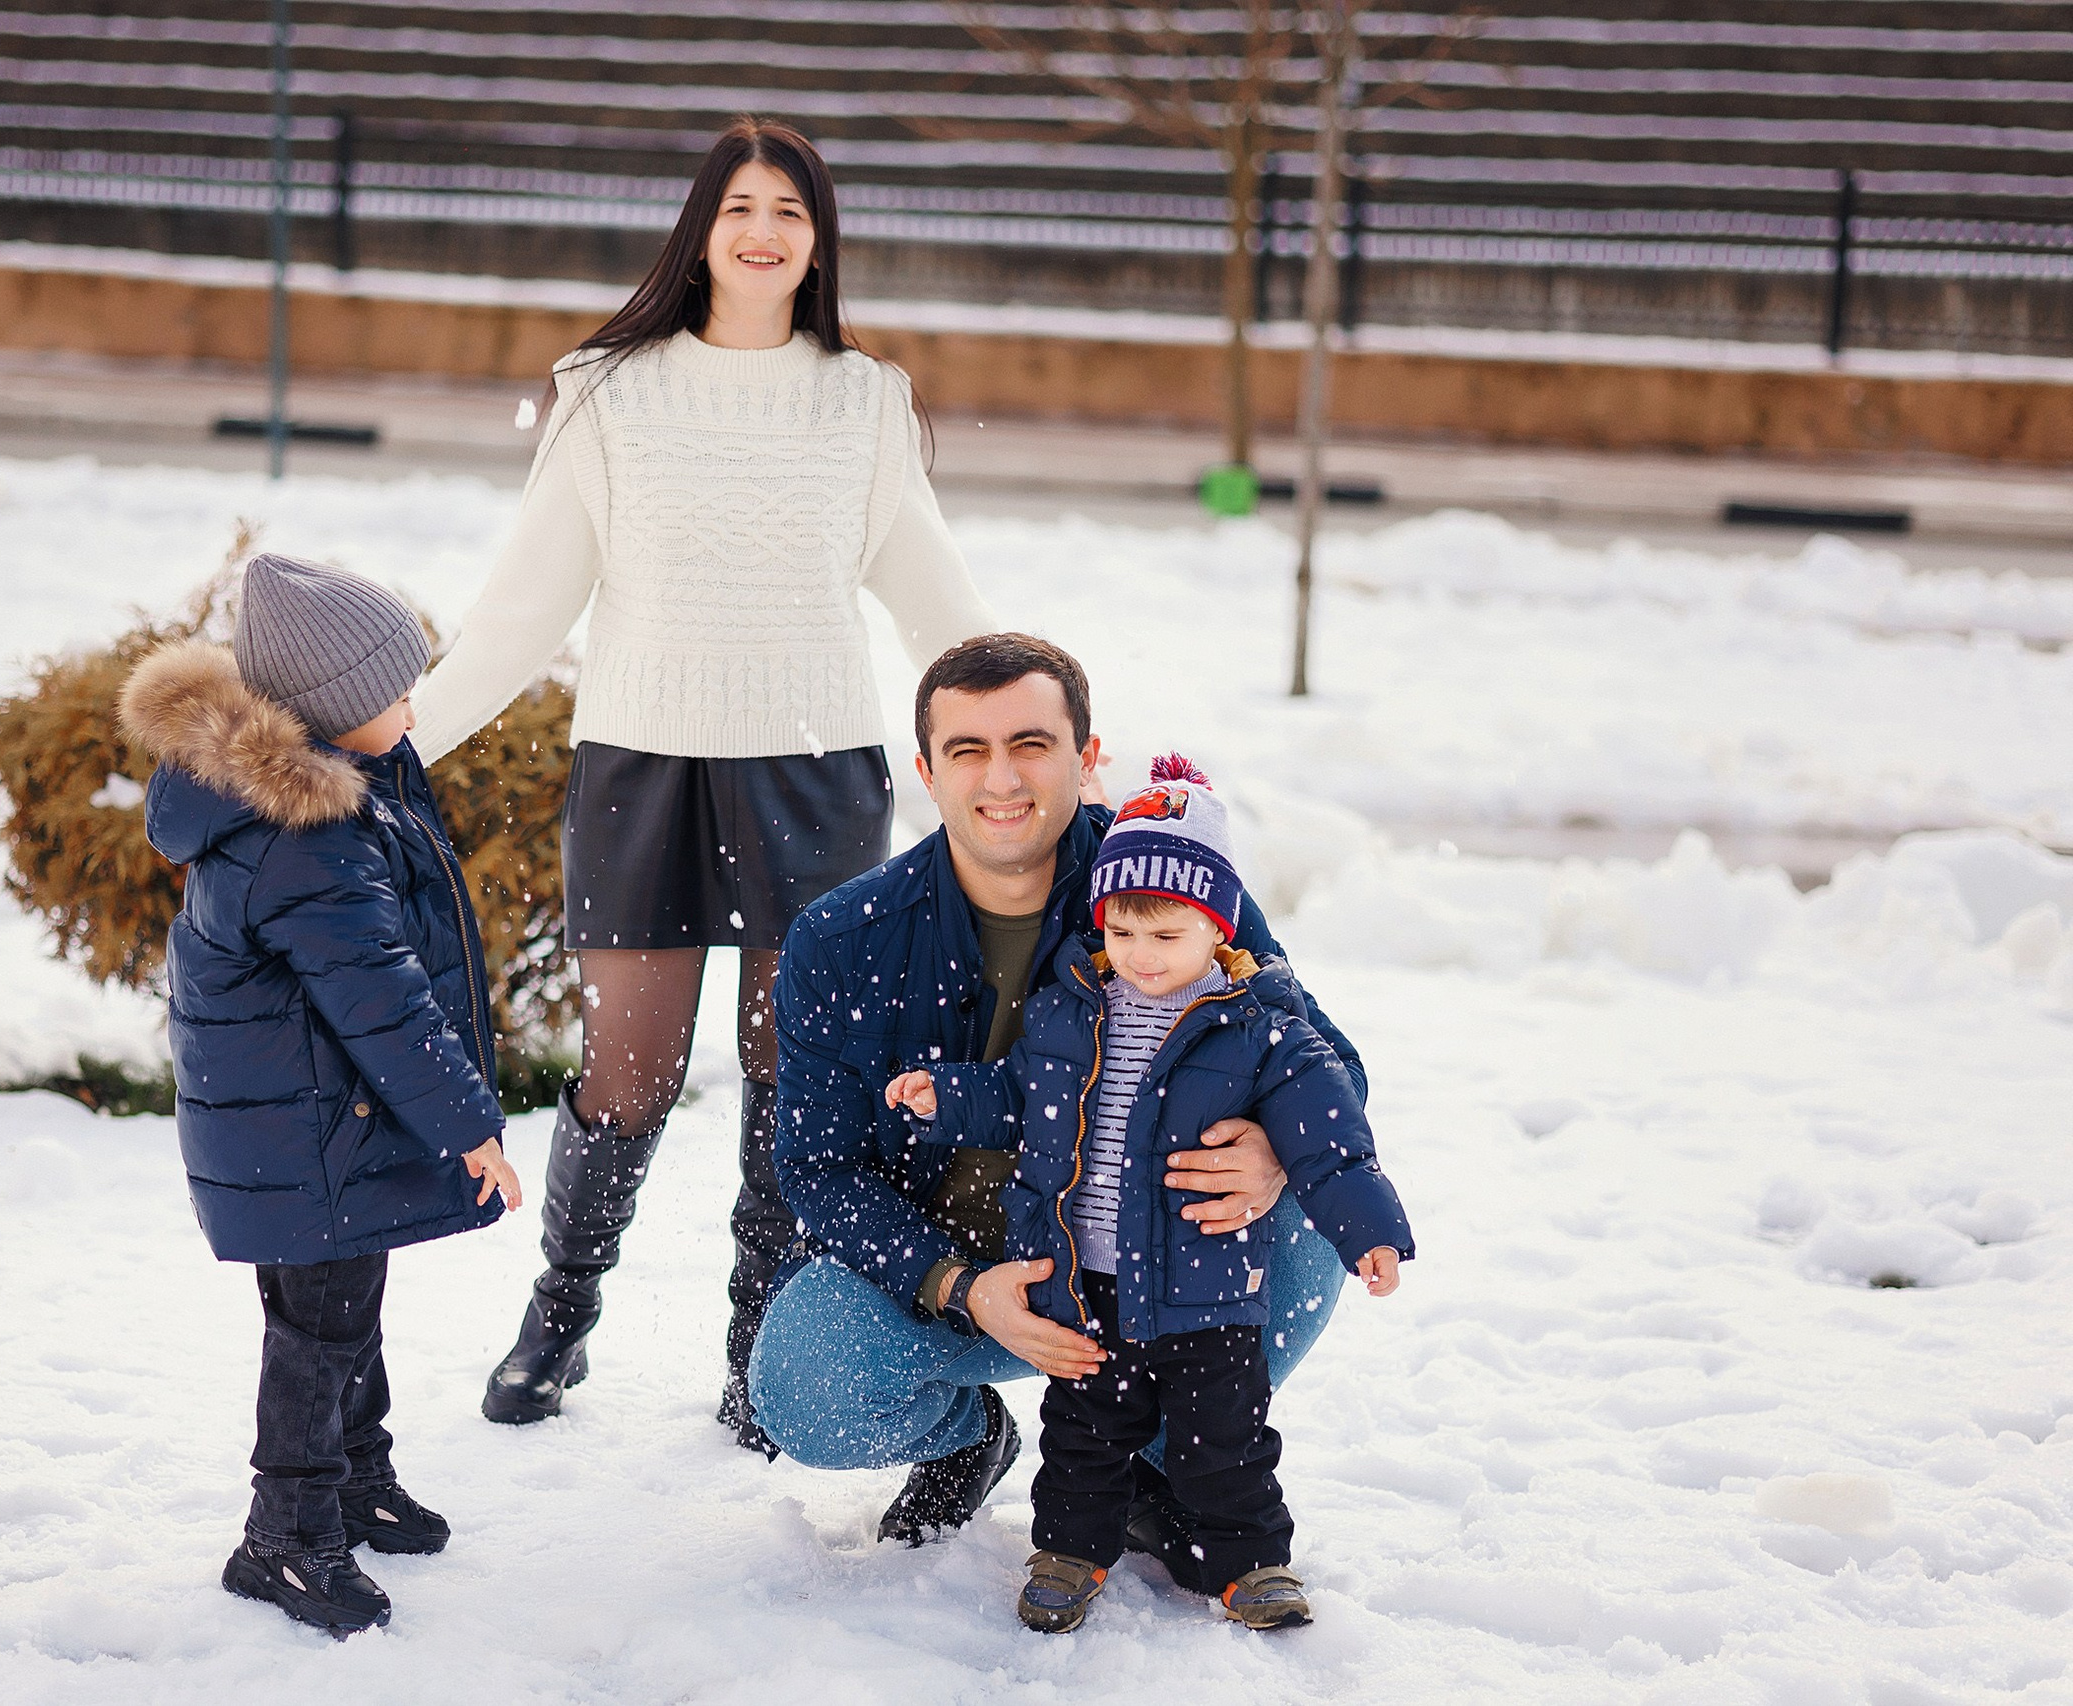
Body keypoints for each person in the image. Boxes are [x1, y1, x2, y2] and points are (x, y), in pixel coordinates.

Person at [407, 117, 998, 1451]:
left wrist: (1038, 740)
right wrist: (395, 738)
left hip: (816, 764)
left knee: (792, 1071)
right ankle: (560, 1314)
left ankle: (758, 1339)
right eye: (741, 204)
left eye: (791, 206)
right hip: (644, 767)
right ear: (702, 227)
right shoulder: (609, 394)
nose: (765, 228)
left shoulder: (865, 401)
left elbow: (939, 609)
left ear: (817, 239)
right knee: (631, 1067)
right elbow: (519, 613)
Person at [753, 633, 1371, 1558]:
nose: (1001, 779)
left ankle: (1159, 1465)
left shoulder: (1171, 877)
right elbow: (817, 1166)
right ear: (927, 772)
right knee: (806, 1389)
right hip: (958, 1264)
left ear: (1087, 760)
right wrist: (959, 1286)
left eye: (1031, 745)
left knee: (1310, 1212)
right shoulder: (842, 940)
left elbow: (1328, 1065)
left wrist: (1274, 1150)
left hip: (1148, 1258)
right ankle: (968, 1441)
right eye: (968, 751)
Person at [885, 755, 1413, 1632]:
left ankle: (1251, 1566)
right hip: (1085, 1287)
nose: (1140, 957)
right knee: (1084, 1434)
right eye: (1123, 934)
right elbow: (1020, 1095)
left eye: (1166, 938)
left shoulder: (1261, 1029)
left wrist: (1370, 1234)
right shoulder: (1070, 1009)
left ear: (1218, 930)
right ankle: (1069, 1553)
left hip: (1206, 1296)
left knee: (1225, 1443)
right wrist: (949, 1099)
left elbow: (1332, 1142)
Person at [120, 554, 524, 1637]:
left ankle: (353, 1475)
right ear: (338, 710)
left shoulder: (329, 790)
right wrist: (469, 1125)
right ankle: (285, 1536)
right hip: (309, 1128)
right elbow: (380, 999)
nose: (411, 704)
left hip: (310, 1123)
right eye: (396, 688)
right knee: (319, 1328)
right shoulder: (306, 835)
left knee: (342, 1312)